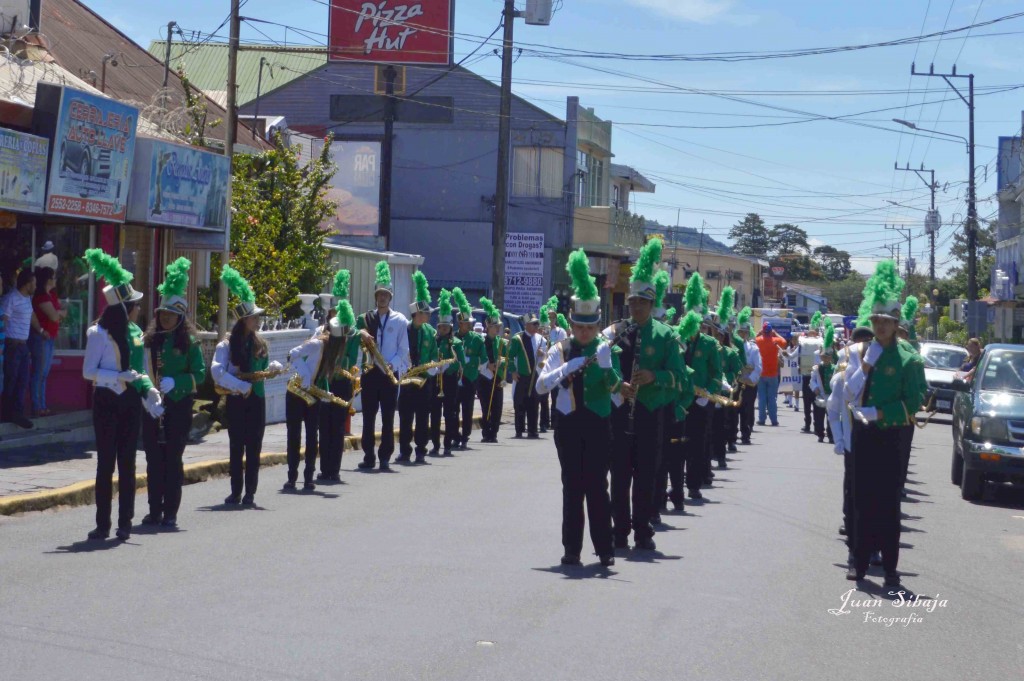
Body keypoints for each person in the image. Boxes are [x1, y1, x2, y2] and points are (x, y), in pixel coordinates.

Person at [843, 261, 927, 589]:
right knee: (861, 499)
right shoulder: (864, 351)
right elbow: (846, 390)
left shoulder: (909, 358)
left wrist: (882, 413)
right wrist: (864, 364)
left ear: (896, 324)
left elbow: (916, 398)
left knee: (888, 503)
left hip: (891, 435)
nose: (880, 326)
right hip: (863, 435)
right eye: (876, 320)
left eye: (886, 321)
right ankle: (859, 562)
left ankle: (890, 568)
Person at [536, 249, 620, 567]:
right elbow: (541, 385)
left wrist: (607, 368)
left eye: (590, 327)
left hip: (599, 424)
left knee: (597, 486)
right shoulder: (561, 349)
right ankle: (572, 549)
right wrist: (568, 366)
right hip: (568, 425)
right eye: (579, 327)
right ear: (571, 323)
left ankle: (605, 548)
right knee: (572, 485)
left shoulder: (604, 350)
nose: (584, 332)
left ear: (597, 325)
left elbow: (615, 394)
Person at [604, 237, 683, 551]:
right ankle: (619, 530)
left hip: (651, 414)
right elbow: (599, 365)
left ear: (652, 305)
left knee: (647, 476)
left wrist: (654, 376)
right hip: (620, 411)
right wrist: (616, 384)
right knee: (619, 476)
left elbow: (680, 379)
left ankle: (643, 531)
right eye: (633, 302)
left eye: (642, 302)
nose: (636, 307)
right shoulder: (617, 331)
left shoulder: (666, 335)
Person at [81, 249, 163, 541]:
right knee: (106, 463)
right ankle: (102, 524)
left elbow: (139, 369)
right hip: (105, 402)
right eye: (135, 304)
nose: (139, 309)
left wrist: (149, 391)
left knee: (128, 463)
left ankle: (124, 523)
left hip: (129, 402)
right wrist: (116, 376)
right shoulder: (97, 334)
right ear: (124, 306)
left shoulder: (136, 332)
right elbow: (88, 372)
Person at [141, 258, 206, 529]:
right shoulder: (149, 340)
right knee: (153, 461)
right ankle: (154, 510)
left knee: (172, 460)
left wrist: (177, 382)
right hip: (153, 407)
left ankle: (170, 512)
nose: (165, 318)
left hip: (178, 407)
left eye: (170, 315)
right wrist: (148, 395)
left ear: (180, 318)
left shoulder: (190, 342)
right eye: (162, 314)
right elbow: (141, 369)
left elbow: (200, 375)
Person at [213, 265, 279, 506]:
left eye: (258, 317)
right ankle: (235, 491)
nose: (258, 321)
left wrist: (271, 368)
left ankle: (250, 492)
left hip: (257, 400)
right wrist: (240, 386)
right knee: (236, 446)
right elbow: (216, 372)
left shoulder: (261, 343)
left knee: (254, 448)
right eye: (254, 317)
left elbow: (264, 366)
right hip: (237, 401)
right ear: (244, 321)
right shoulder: (228, 345)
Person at [355, 261, 409, 471]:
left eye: (385, 294)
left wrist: (391, 365)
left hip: (388, 374)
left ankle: (385, 456)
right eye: (379, 294)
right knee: (368, 416)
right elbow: (351, 334)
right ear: (375, 297)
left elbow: (403, 350)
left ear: (390, 297)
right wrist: (360, 332)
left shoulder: (399, 320)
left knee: (388, 417)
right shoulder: (367, 318)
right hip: (370, 372)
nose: (382, 297)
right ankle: (368, 455)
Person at [318, 273, 362, 482]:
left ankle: (333, 469)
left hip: (342, 383)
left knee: (336, 428)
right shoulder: (323, 331)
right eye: (332, 311)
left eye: (337, 311)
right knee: (323, 427)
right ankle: (324, 467)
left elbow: (351, 359)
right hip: (324, 383)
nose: (334, 315)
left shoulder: (352, 335)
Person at [397, 271, 436, 464]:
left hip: (425, 379)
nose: (428, 316)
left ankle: (421, 450)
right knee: (405, 416)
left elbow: (435, 354)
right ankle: (405, 450)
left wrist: (433, 368)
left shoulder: (430, 332)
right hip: (407, 378)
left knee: (423, 417)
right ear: (417, 314)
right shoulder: (405, 328)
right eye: (425, 313)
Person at [1, 268, 40, 429]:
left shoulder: (27, 299)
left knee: (23, 381)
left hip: (23, 346)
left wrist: (41, 330)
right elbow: (4, 320)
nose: (36, 286)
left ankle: (17, 413)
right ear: (27, 284)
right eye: (34, 283)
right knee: (11, 380)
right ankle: (6, 413)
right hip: (12, 345)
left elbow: (31, 317)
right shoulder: (11, 299)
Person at [432, 289, 464, 457]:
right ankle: (435, 444)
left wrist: (447, 367)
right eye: (440, 326)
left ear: (450, 327)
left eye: (445, 327)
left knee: (450, 414)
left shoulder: (456, 343)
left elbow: (460, 362)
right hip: (436, 381)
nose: (442, 329)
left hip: (450, 381)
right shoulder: (434, 341)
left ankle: (447, 444)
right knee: (435, 414)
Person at [29, 267, 65, 418]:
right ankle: (37, 406)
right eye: (54, 277)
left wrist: (59, 314)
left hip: (50, 338)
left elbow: (59, 313)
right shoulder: (41, 297)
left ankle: (42, 406)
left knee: (44, 374)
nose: (56, 279)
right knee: (40, 373)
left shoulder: (51, 295)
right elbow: (55, 316)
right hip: (41, 338)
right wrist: (60, 314)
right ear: (48, 279)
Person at [452, 288, 483, 450]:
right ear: (460, 323)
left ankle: (465, 436)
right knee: (453, 409)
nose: (469, 325)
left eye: (470, 323)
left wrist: (470, 360)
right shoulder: (453, 337)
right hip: (455, 376)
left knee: (467, 408)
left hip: (470, 377)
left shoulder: (476, 339)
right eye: (466, 323)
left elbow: (483, 359)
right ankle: (455, 436)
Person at [508, 312, 546, 439]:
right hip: (522, 375)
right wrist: (513, 371)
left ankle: (532, 430)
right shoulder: (517, 339)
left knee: (534, 403)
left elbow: (544, 358)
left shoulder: (540, 339)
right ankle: (519, 430)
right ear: (527, 325)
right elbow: (510, 357)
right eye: (534, 324)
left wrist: (542, 354)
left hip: (535, 375)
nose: (536, 326)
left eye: (537, 324)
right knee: (519, 403)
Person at [477, 297, 508, 443]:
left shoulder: (500, 342)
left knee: (497, 407)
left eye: (498, 326)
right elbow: (476, 360)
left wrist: (501, 362)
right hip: (485, 378)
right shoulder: (482, 341)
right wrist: (487, 366)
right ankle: (486, 431)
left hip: (498, 377)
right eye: (495, 326)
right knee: (485, 406)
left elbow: (507, 358)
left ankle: (493, 432)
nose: (498, 329)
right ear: (488, 327)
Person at [734, 308, 762, 445]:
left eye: (744, 332)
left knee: (747, 409)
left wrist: (750, 379)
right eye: (740, 332)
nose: (742, 334)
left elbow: (758, 367)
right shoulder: (734, 347)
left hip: (749, 383)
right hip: (736, 383)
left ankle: (746, 434)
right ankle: (732, 436)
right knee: (734, 409)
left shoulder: (754, 348)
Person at [755, 322, 787, 427]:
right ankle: (774, 420)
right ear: (771, 331)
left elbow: (751, 340)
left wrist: (759, 333)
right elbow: (785, 342)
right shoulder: (775, 341)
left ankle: (762, 419)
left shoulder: (759, 340)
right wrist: (776, 333)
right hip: (773, 374)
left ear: (763, 331)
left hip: (761, 374)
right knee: (772, 398)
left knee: (762, 398)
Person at [810, 321, 836, 445]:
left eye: (827, 357)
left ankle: (831, 435)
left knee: (831, 417)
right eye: (823, 357)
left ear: (831, 358)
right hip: (820, 395)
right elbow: (812, 381)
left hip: (831, 396)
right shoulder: (817, 368)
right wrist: (815, 387)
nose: (825, 359)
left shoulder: (835, 368)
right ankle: (820, 434)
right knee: (819, 417)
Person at [798, 316, 824, 433]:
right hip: (806, 376)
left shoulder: (820, 343)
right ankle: (807, 423)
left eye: (814, 332)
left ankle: (816, 425)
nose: (811, 334)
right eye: (810, 332)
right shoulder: (803, 343)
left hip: (817, 377)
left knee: (817, 402)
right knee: (807, 403)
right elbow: (796, 355)